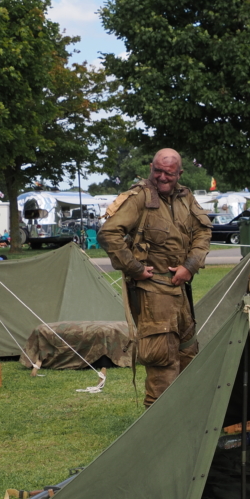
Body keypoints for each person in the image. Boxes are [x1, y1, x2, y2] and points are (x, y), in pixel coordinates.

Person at [99, 149, 212, 406]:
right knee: (162, 362)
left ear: (179, 173)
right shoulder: (139, 197)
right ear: (151, 167)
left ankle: (186, 424)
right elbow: (109, 234)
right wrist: (135, 269)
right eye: (157, 171)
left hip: (181, 293)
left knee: (188, 356)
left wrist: (190, 266)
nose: (162, 177)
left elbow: (203, 232)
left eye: (169, 173)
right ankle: (159, 433)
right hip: (153, 295)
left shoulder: (185, 198)